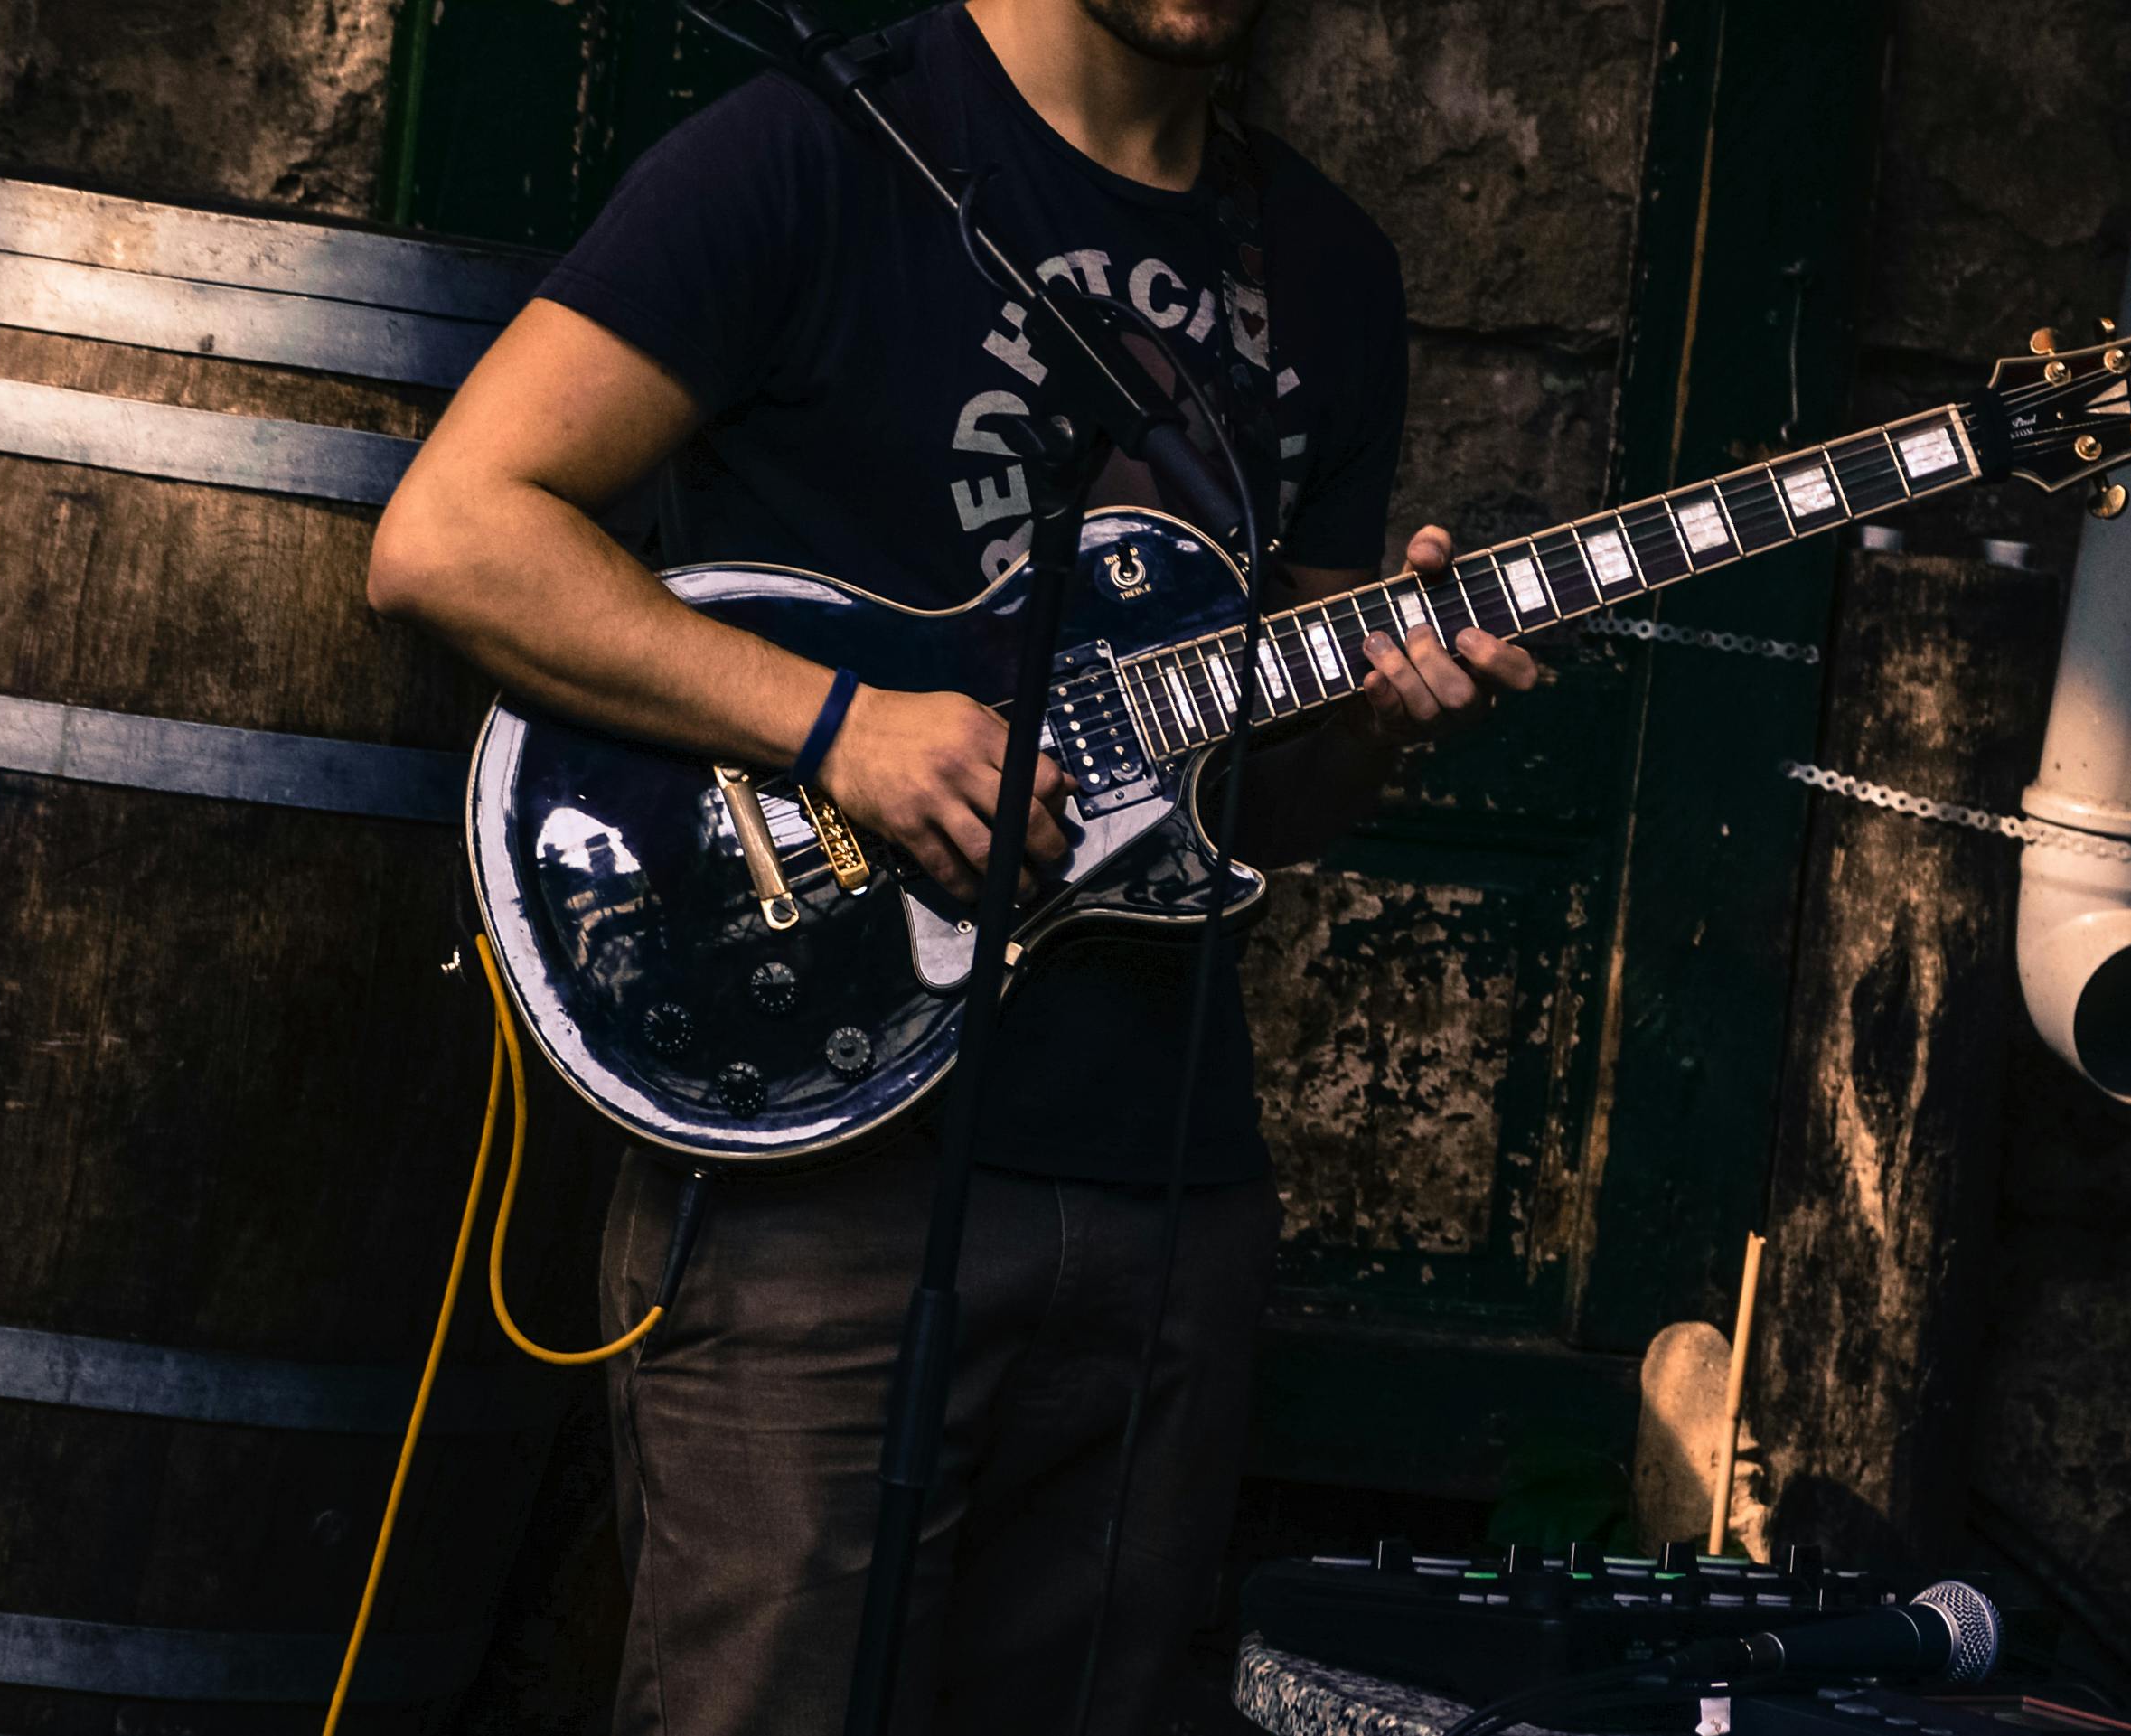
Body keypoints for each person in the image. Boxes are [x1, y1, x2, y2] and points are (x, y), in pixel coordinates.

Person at [367, 0, 1535, 1728]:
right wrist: (840, 725)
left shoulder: (1326, 270)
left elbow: (1243, 807)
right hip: (819, 1166)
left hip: (1163, 1184)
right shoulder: (814, 152)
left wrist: (1375, 722)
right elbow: (454, 537)